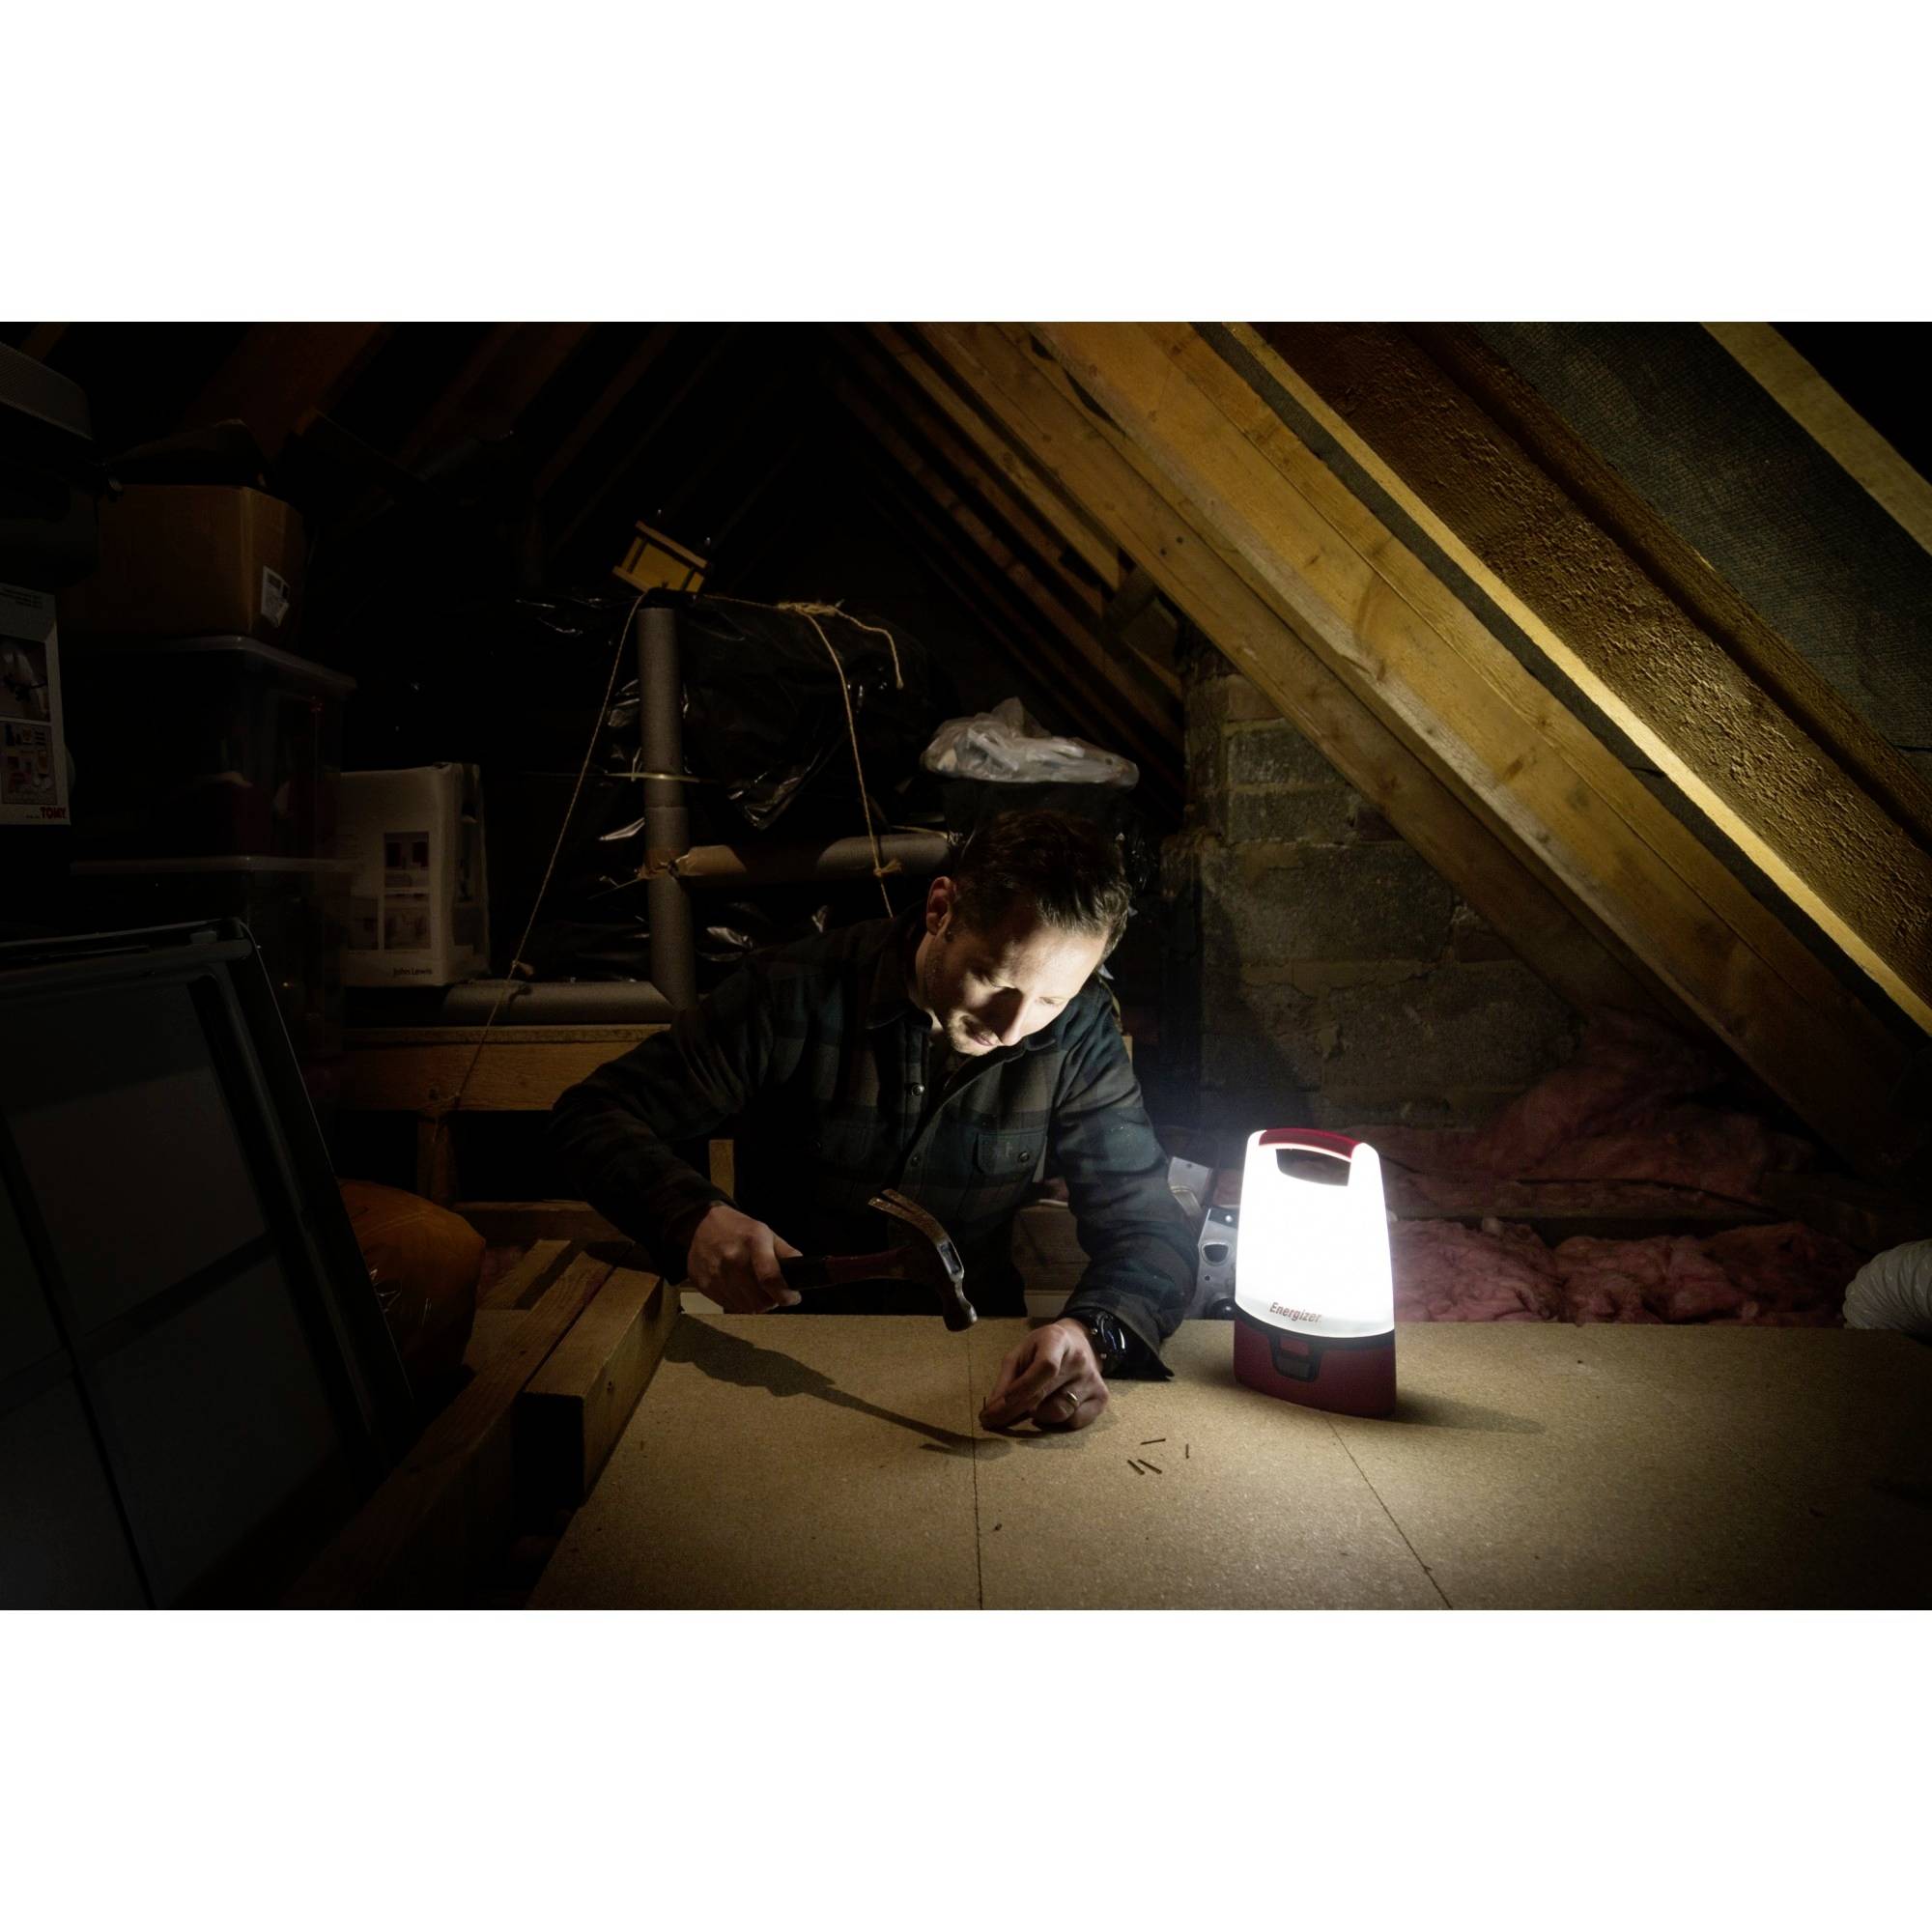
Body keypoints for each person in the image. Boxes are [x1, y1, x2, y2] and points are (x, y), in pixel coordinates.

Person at [550, 810, 1197, 1432]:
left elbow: (1148, 1228)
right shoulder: (792, 991)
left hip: (974, 1369)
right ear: (940, 908)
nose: (1011, 1027)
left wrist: (1092, 1331)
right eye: (990, 977)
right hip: (787, 1355)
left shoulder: (1080, 1035)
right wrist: (689, 1216)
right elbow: (591, 1115)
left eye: (1050, 998)